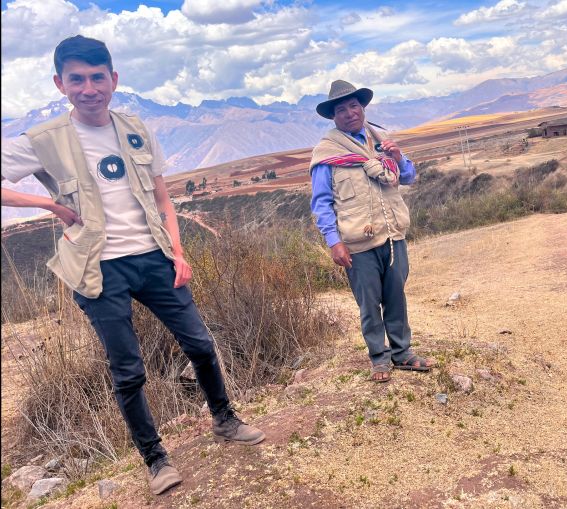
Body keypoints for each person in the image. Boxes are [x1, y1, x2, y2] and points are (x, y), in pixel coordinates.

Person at [1, 35, 265, 495]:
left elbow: (162, 196)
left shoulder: (135, 127)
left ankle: (224, 419)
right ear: (60, 84)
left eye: (97, 77)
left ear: (113, 79)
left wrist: (178, 253)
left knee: (201, 344)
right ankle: (155, 458)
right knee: (128, 369)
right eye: (77, 79)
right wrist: (49, 205)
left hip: (153, 258)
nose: (88, 88)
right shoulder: (44, 140)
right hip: (98, 269)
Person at [309, 80, 435, 382]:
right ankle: (379, 358)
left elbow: (408, 177)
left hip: (392, 234)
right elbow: (322, 203)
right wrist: (333, 242)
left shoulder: (382, 142)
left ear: (362, 108)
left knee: (396, 296)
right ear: (334, 117)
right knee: (369, 303)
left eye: (354, 106)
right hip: (357, 242)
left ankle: (402, 353)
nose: (350, 112)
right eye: (342, 109)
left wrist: (398, 157)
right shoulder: (327, 153)